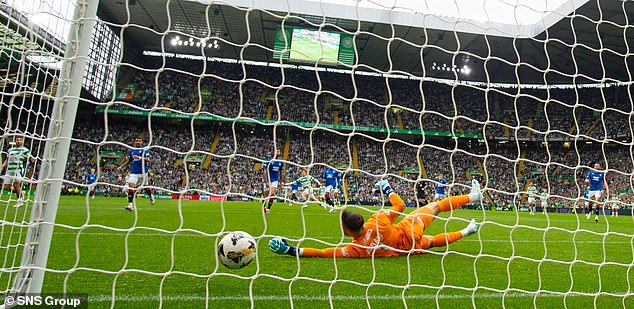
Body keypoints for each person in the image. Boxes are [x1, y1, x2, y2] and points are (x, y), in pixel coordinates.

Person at [269, 179, 481, 258]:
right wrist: (386, 187)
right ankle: (473, 196)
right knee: (435, 206)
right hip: (409, 229)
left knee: (433, 242)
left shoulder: (356, 249)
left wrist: (292, 250)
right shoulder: (377, 220)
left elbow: (325, 252)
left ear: (347, 231)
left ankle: (467, 231)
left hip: (408, 248)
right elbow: (400, 206)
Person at [117, 138, 154, 211]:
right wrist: (122, 166)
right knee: (131, 186)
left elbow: (148, 159)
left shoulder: (145, 149)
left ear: (142, 142)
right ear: (134, 142)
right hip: (134, 171)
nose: (138, 142)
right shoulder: (132, 150)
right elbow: (129, 160)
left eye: (139, 141)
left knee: (145, 187)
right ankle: (130, 205)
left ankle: (150, 195)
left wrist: (139, 157)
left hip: (143, 172)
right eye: (136, 141)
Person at [1, 136, 36, 207]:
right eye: (17, 140)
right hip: (9, 170)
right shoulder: (10, 150)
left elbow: (30, 157)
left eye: (20, 140)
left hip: (18, 170)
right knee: (5, 187)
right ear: (15, 141)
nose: (19, 141)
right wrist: (2, 166)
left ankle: (20, 201)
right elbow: (7, 160)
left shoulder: (24, 150)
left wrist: (33, 159)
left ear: (22, 142)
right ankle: (21, 193)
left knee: (16, 185)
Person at [262, 150, 284, 214]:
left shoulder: (280, 162)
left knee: (272, 193)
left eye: (279, 151)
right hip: (268, 180)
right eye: (277, 151)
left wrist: (280, 182)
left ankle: (268, 209)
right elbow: (265, 171)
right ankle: (264, 207)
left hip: (275, 181)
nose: (278, 152)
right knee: (265, 196)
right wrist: (266, 182)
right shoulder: (268, 161)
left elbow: (281, 173)